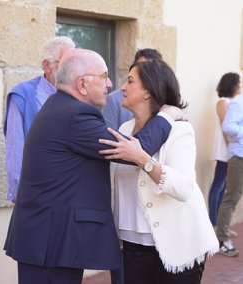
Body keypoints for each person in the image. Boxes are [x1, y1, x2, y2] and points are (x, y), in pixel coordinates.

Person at [4, 48, 184, 284]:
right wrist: (167, 117)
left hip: (47, 239)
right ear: (82, 84)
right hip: (50, 243)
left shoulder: (61, 107)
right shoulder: (76, 116)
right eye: (104, 76)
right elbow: (131, 151)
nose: (110, 84)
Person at [98, 60, 219, 284]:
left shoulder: (179, 130)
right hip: (133, 243)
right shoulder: (124, 129)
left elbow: (183, 188)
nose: (122, 87)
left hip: (177, 242)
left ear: (149, 91)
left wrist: (143, 160)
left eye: (130, 81)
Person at [3, 36, 76, 202]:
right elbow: (15, 145)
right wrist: (17, 191)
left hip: (70, 188)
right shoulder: (23, 95)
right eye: (65, 64)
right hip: (36, 189)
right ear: (47, 65)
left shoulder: (78, 93)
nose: (72, 70)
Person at [208, 73, 241, 230]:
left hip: (231, 150)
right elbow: (225, 128)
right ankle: (213, 224)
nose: (240, 85)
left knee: (225, 188)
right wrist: (231, 150)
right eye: (239, 82)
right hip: (226, 150)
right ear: (232, 85)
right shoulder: (223, 102)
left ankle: (221, 227)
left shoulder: (234, 103)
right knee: (218, 186)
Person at [101, 48, 162, 129]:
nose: (144, 71)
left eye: (150, 70)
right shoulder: (125, 128)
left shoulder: (168, 113)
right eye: (140, 66)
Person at [216, 76, 243, 257]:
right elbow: (228, 126)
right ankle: (223, 239)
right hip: (238, 155)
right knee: (231, 196)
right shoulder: (236, 103)